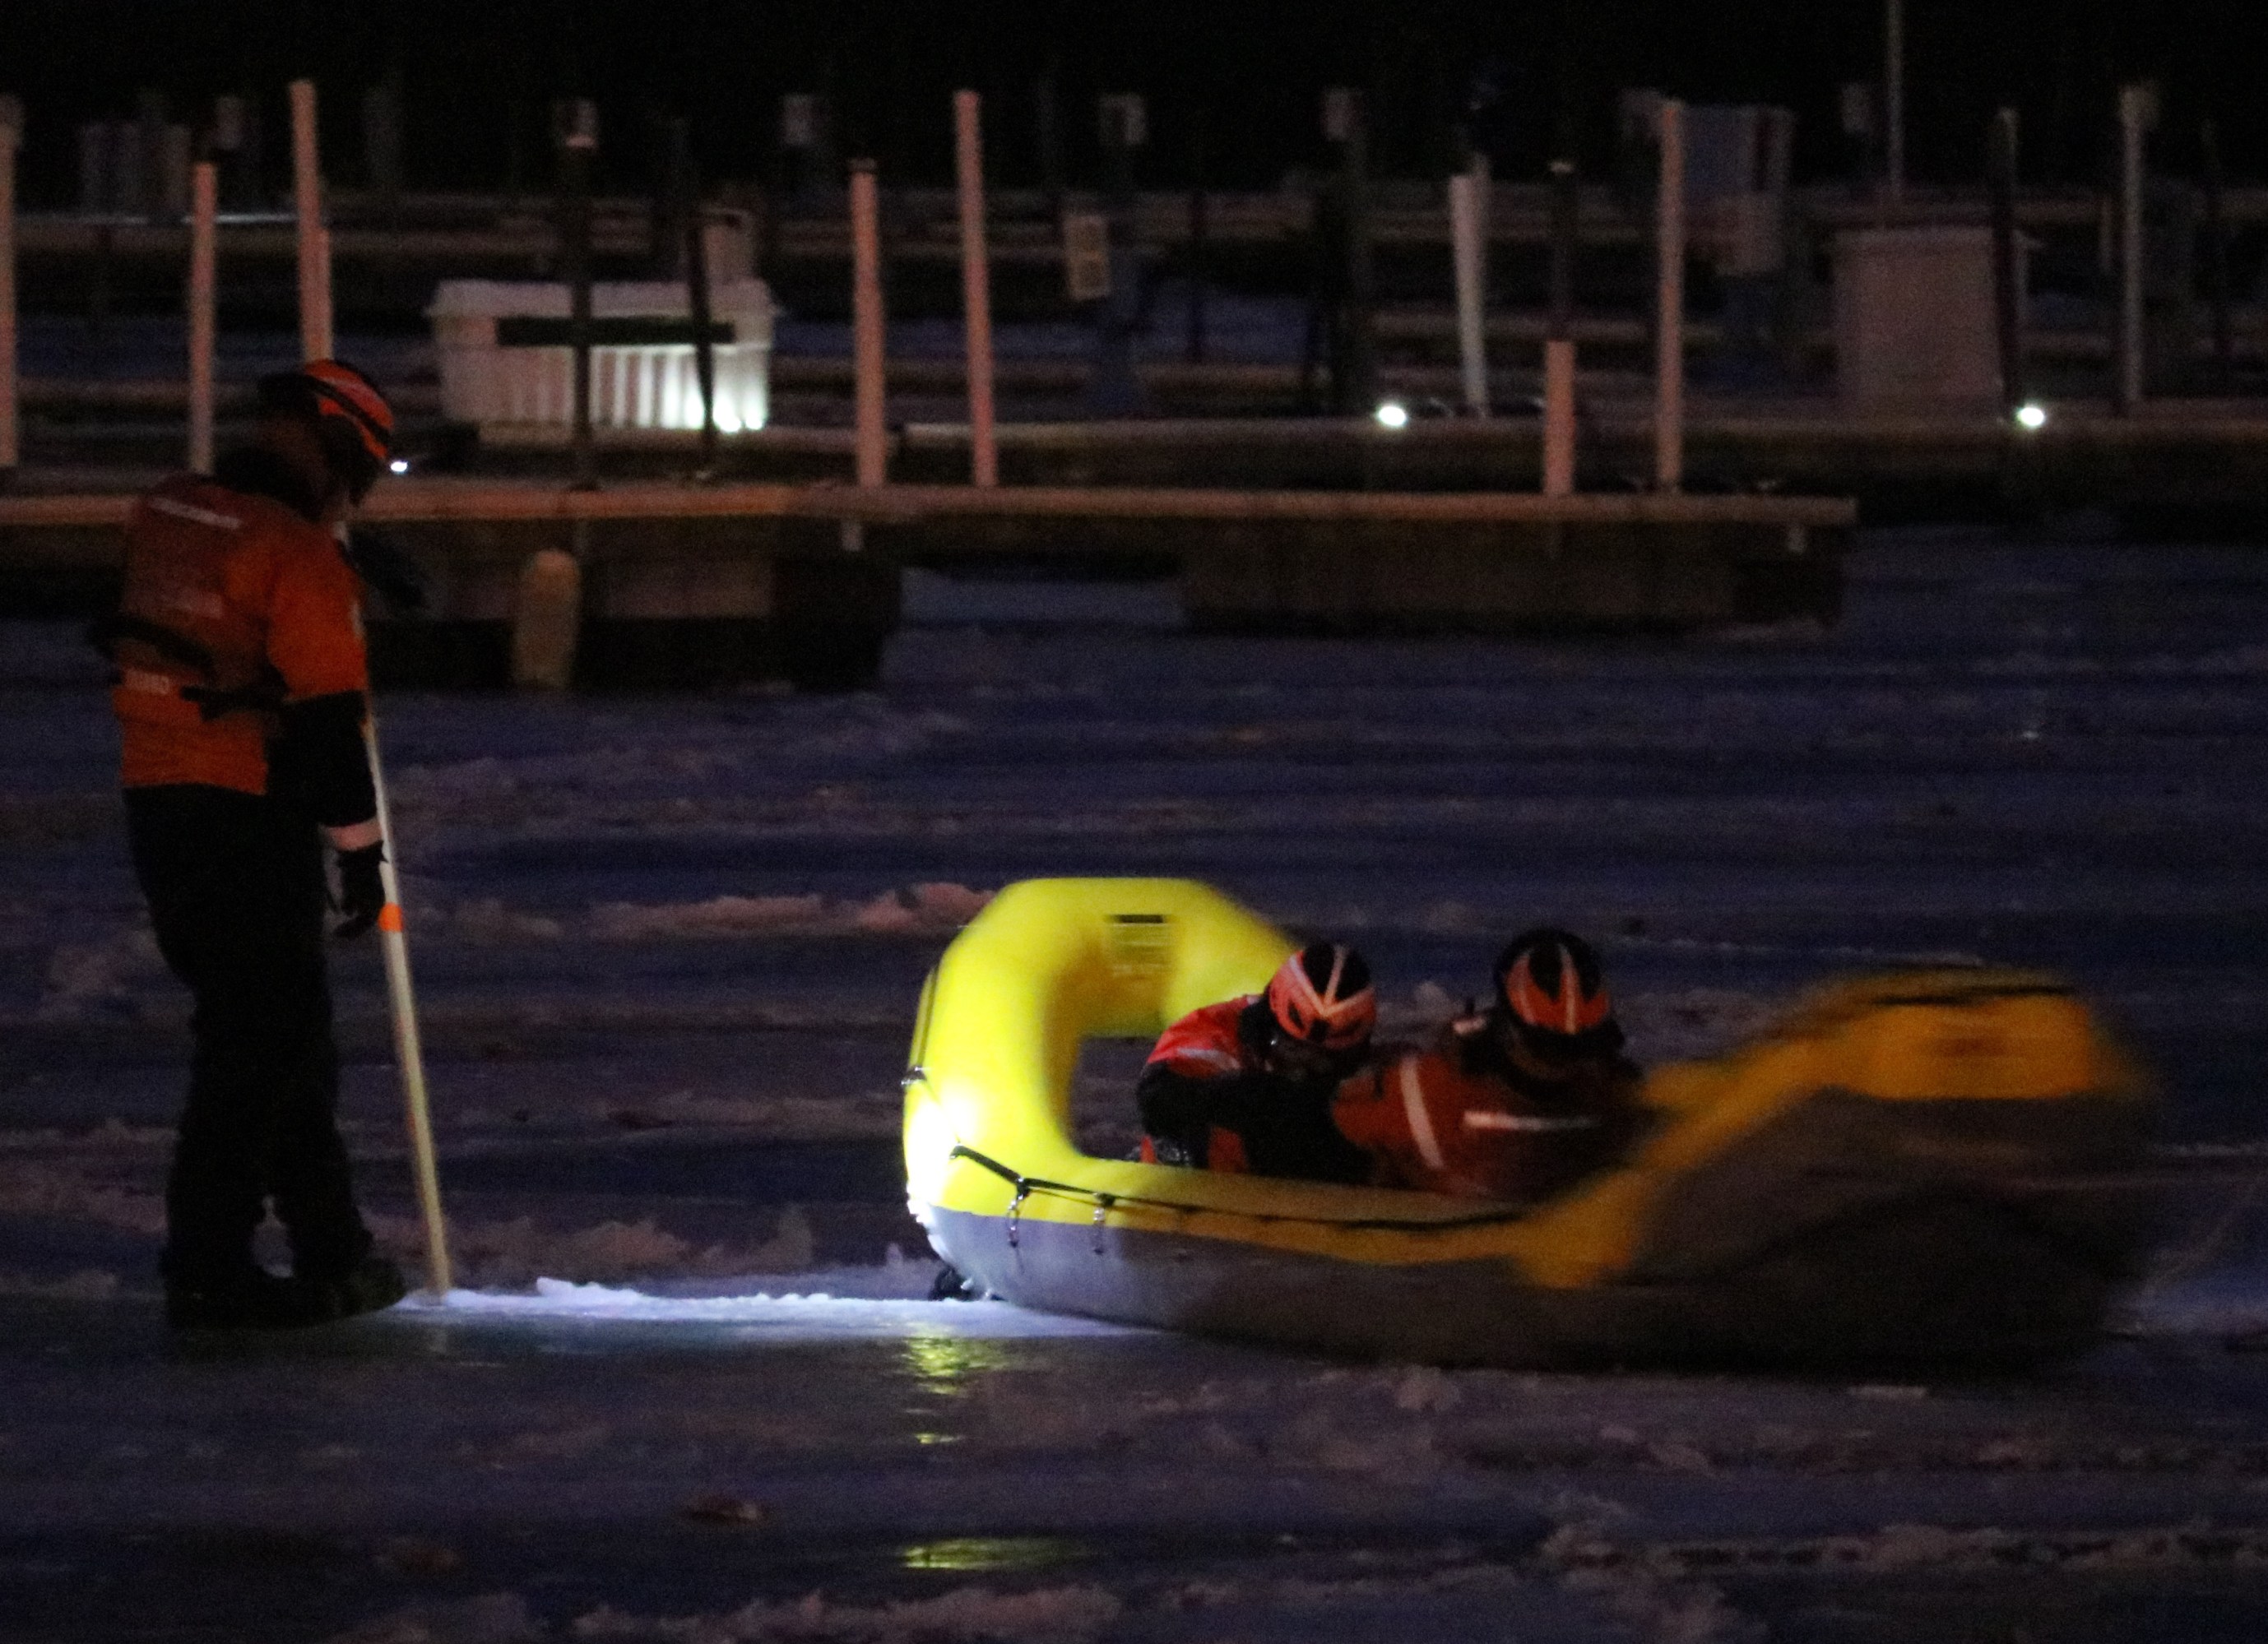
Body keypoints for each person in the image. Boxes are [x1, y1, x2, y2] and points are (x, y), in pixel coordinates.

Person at [96, 360, 410, 1329]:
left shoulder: (171, 509)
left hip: (160, 804)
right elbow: (326, 725)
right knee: (259, 1048)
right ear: (333, 454)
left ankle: (332, 1246)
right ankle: (208, 1269)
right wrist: (362, 858)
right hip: (245, 810)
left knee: (274, 1039)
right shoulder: (297, 557)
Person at [1333, 929, 1645, 1202]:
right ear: (1509, 1030)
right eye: (1546, 1046)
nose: (1562, 1063)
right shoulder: (1425, 1092)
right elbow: (1331, 1130)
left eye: (1579, 1047)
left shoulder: (1621, 1096)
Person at [1137, 942, 1377, 1183]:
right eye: (1292, 1050)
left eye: (1321, 1061)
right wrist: (1259, 1098)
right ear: (1269, 1025)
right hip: (1181, 1198)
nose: (1302, 1071)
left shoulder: (1377, 1077)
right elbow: (1159, 1096)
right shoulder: (1218, 1031)